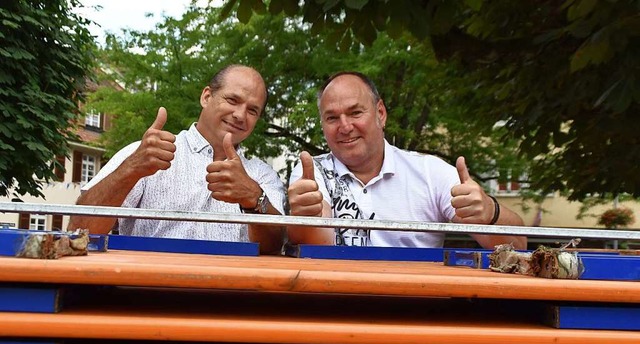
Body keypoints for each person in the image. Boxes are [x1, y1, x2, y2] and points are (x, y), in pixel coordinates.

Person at [287, 71, 526, 250]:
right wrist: (307, 218)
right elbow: (316, 244)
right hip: (334, 303)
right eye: (332, 118)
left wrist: (489, 212)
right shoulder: (311, 171)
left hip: (418, 306)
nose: (345, 126)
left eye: (355, 113)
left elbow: (518, 246)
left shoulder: (431, 172)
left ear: (380, 113)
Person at [68, 64, 285, 254]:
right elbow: (80, 231)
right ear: (206, 97)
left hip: (230, 297)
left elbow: (275, 246)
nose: (240, 114)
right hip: (148, 293)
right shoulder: (147, 153)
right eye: (232, 100)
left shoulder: (262, 175)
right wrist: (131, 169)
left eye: (252, 110)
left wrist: (255, 199)